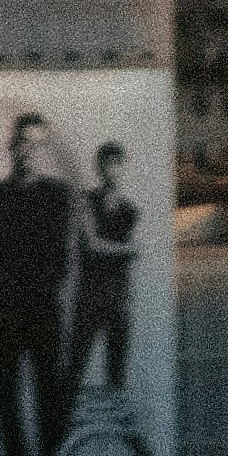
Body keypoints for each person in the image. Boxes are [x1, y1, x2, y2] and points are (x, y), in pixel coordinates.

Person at [0, 112, 77, 456]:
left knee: (49, 398)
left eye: (37, 144)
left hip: (43, 309)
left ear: (44, 150)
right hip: (1, 313)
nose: (30, 150)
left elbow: (60, 257)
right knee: (6, 403)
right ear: (11, 147)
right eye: (23, 143)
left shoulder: (59, 196)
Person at [68, 144, 140, 400]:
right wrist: (125, 250)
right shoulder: (86, 201)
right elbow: (92, 247)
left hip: (118, 298)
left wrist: (117, 249)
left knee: (117, 373)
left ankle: (115, 434)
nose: (112, 170)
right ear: (98, 168)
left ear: (122, 168)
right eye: (107, 164)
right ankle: (67, 432)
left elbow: (130, 251)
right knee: (74, 369)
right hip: (89, 297)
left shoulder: (130, 210)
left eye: (117, 164)